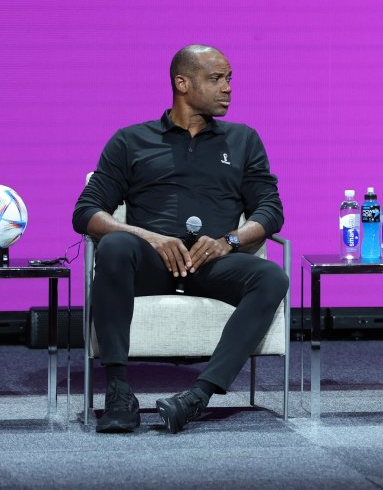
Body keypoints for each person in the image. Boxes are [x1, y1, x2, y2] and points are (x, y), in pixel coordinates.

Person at [73, 45, 287, 434]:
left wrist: (230, 241)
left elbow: (270, 211)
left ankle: (195, 398)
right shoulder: (130, 141)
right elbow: (87, 212)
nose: (227, 88)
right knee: (117, 245)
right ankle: (119, 391)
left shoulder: (243, 140)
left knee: (272, 276)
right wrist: (147, 237)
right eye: (216, 78)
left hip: (213, 264)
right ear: (182, 83)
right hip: (151, 264)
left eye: (229, 78)